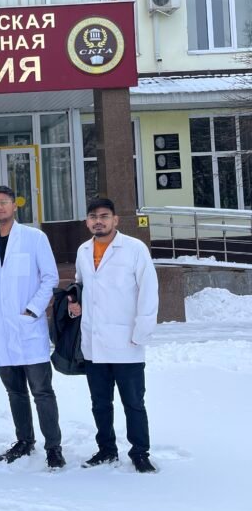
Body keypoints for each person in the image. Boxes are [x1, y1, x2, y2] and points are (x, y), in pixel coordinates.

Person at [0, 186, 65, 470]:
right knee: (14, 392)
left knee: (42, 391)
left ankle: (53, 446)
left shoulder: (34, 238)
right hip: (1, 328)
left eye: (4, 203)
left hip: (29, 326)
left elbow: (50, 277)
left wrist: (33, 309)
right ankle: (24, 440)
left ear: (15, 206)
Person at [68, 197, 159, 473]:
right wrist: (74, 299)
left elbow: (149, 290)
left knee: (133, 402)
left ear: (115, 220)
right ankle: (106, 449)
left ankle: (140, 452)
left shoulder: (134, 249)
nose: (99, 221)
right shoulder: (84, 250)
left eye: (104, 216)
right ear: (87, 221)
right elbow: (81, 283)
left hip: (126, 340)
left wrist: (142, 331)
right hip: (94, 342)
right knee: (100, 403)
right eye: (93, 216)